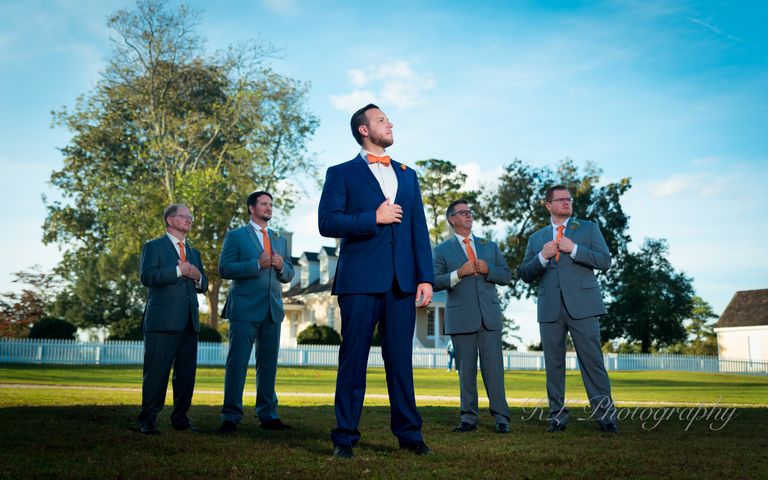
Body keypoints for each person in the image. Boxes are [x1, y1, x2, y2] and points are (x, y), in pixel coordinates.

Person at [318, 103, 434, 458]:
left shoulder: (408, 174)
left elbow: (418, 229)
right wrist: (374, 217)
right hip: (360, 281)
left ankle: (410, 435)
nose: (390, 123)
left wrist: (425, 277)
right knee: (353, 361)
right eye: (382, 120)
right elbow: (328, 223)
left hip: (402, 282)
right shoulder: (341, 173)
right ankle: (345, 438)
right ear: (364, 130)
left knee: (400, 362)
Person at [518, 185, 618, 433]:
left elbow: (605, 261)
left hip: (584, 306)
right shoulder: (536, 238)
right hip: (549, 308)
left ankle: (606, 417)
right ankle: (557, 417)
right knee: (553, 365)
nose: (566, 203)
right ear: (548, 205)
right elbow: (524, 274)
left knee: (592, 362)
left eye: (568, 199)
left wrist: (573, 249)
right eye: (560, 199)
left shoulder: (588, 228)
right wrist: (542, 257)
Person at [218, 191, 295, 433]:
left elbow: (290, 273)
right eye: (264, 204)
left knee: (268, 365)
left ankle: (268, 415)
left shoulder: (279, 238)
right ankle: (230, 417)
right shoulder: (236, 236)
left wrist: (282, 267)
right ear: (252, 208)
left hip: (273, 310)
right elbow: (224, 268)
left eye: (271, 204)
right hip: (244, 309)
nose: (269, 208)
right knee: (237, 364)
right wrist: (256, 265)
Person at [433, 199, 512, 434]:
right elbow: (434, 281)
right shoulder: (441, 250)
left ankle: (502, 418)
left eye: (470, 212)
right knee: (466, 371)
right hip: (461, 318)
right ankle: (468, 418)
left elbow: (506, 275)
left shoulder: (489, 246)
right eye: (463, 212)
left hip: (490, 317)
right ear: (452, 219)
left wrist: (489, 270)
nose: (469, 215)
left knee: (494, 370)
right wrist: (459, 273)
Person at [137, 204, 208, 435]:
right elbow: (147, 276)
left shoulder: (194, 251)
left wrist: (198, 278)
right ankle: (147, 419)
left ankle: (181, 418)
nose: (189, 220)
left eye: (191, 216)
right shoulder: (153, 247)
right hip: (162, 321)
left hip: (189, 321)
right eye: (184, 216)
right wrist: (178, 271)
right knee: (156, 372)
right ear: (169, 220)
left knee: (186, 374)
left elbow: (203, 284)